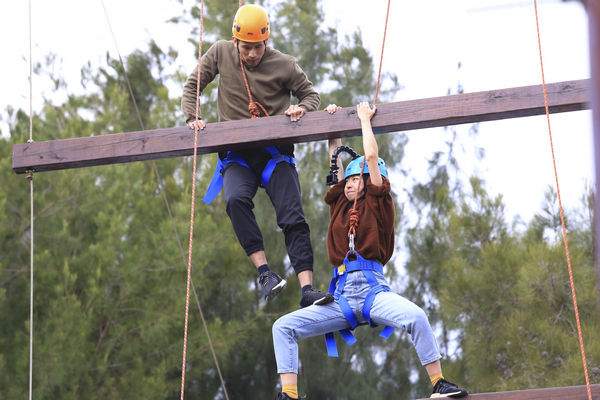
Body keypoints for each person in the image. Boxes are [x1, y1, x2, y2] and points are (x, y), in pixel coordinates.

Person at [271, 102, 469, 399]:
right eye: (347, 180)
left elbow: (372, 157)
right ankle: (289, 394)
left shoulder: (379, 203)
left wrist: (364, 119)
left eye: (354, 179)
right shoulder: (340, 206)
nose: (348, 184)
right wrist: (332, 127)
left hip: (373, 289)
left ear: (367, 180)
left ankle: (438, 383)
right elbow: (334, 163)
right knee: (282, 327)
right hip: (341, 296)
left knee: (415, 318)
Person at [181, 4, 332, 308]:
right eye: (246, 48)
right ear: (235, 42)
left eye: (257, 47)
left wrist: (301, 108)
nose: (251, 54)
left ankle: (307, 289)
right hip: (237, 155)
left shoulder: (284, 65)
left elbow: (310, 94)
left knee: (292, 215)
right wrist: (192, 117)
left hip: (274, 154)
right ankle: (265, 273)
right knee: (235, 201)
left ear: (267, 40)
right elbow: (193, 85)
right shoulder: (221, 53)